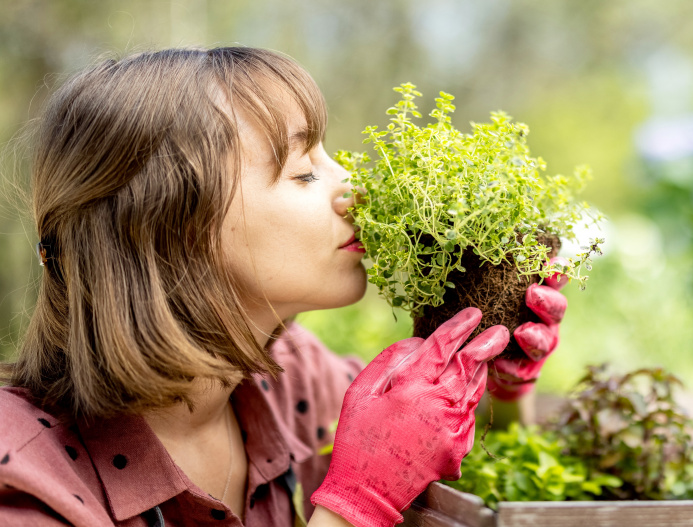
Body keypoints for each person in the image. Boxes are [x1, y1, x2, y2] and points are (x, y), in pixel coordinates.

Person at [0, 47, 568, 527]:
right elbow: (370, 482)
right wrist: (355, 505)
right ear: (171, 228)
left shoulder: (293, 376)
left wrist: (493, 387)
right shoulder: (22, 479)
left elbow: (444, 451)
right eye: (303, 173)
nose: (357, 188)